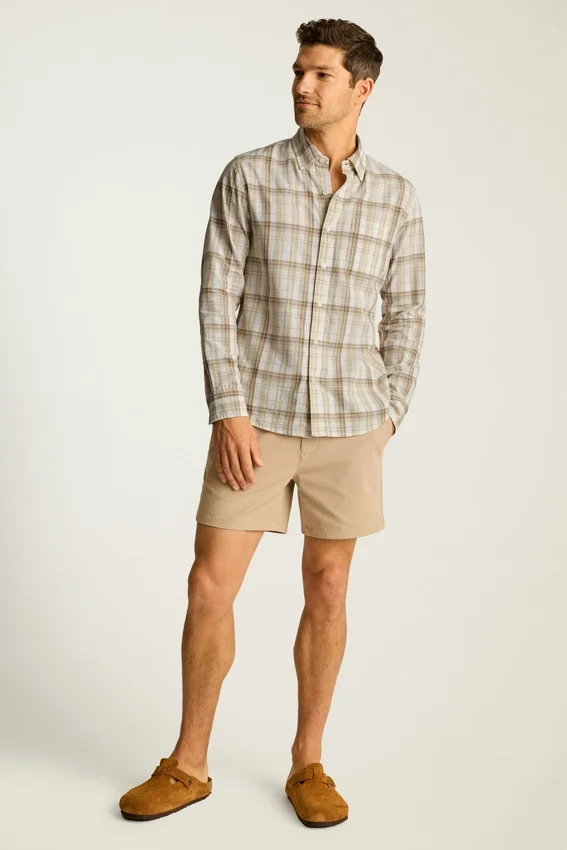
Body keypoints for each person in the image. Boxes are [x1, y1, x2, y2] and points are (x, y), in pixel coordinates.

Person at [119, 17, 426, 828]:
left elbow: (406, 311)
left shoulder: (395, 196)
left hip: (351, 422)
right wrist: (229, 409)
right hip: (255, 422)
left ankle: (307, 762)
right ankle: (188, 764)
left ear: (362, 88)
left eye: (321, 74)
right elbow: (215, 299)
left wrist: (387, 413)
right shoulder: (248, 176)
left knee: (329, 585)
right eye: (298, 71)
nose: (301, 86)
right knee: (209, 584)